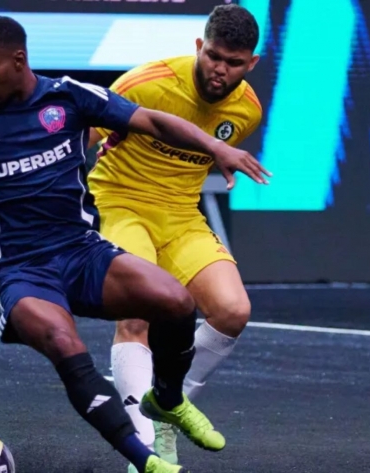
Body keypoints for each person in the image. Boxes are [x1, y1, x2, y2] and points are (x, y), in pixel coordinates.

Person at [0, 16, 268, 473]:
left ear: (18, 60)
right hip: (26, 269)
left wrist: (216, 148)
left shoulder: (69, 96)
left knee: (178, 303)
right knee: (69, 342)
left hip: (85, 250)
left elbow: (150, 121)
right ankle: (146, 460)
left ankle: (168, 401)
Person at [87, 6, 264, 470]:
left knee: (233, 310)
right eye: (214, 57)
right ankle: (145, 451)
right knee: (137, 316)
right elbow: (84, 134)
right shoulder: (145, 84)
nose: (220, 69)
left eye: (234, 62)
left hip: (181, 215)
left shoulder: (246, 111)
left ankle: (167, 403)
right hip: (122, 204)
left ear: (251, 64)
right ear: (199, 47)